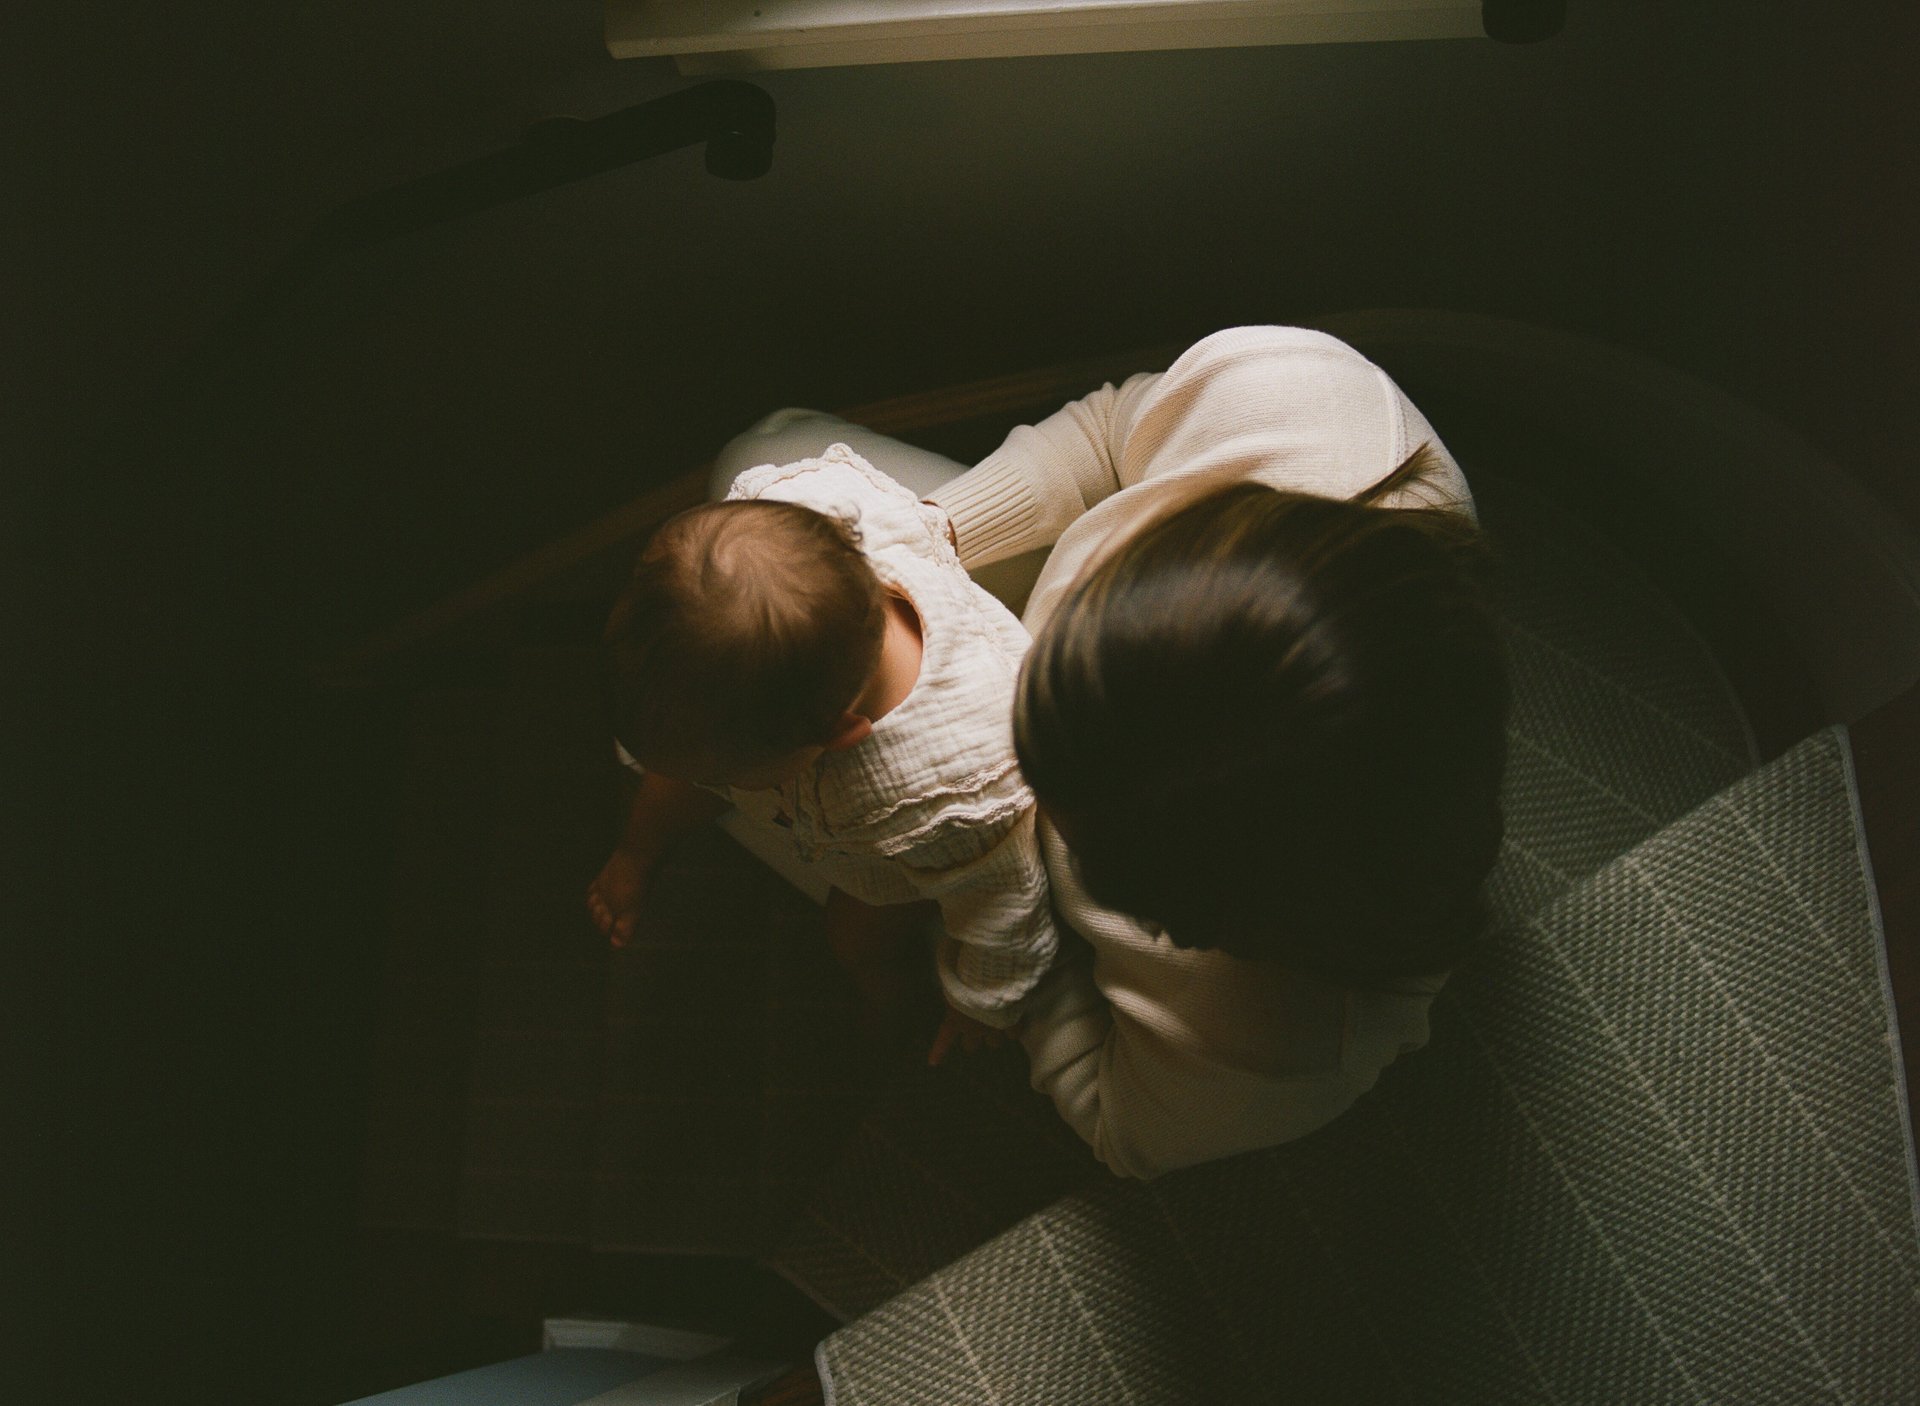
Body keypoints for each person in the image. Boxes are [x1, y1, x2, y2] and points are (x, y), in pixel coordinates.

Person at [715, 325, 1510, 1178]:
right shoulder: (1292, 397)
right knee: (754, 486)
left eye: (1053, 799)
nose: (997, 747)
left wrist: (1013, 964)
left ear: (1171, 918)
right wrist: (918, 553)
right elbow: (1104, 437)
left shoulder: (1270, 1056)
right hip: (1001, 624)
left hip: (1021, 915)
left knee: (737, 769)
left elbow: (1112, 1123)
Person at [586, 442, 1059, 1065]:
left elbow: (1006, 912)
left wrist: (982, 1002)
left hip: (882, 854)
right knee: (676, 780)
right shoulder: (804, 526)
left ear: (838, 737)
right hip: (765, 733)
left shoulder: (953, 797)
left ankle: (891, 1004)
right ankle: (636, 851)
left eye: (736, 777)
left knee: (856, 936)